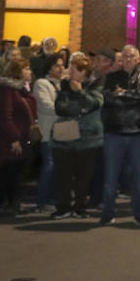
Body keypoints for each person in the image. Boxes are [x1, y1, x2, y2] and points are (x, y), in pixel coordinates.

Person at [101, 45, 140, 227]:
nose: (127, 59)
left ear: (138, 58)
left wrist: (124, 94)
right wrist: (134, 97)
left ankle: (139, 214)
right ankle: (107, 213)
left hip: (139, 131)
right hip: (115, 131)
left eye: (131, 56)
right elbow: (108, 98)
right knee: (111, 176)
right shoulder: (111, 77)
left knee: (139, 176)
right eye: (124, 56)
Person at [50, 53, 104, 220]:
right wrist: (79, 107)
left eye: (74, 69)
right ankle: (63, 207)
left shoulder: (96, 85)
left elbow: (94, 104)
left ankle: (80, 207)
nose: (69, 72)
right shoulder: (64, 86)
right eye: (70, 68)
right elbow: (61, 108)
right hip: (64, 136)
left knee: (84, 176)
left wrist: (80, 93)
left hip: (88, 139)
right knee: (63, 175)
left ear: (84, 72)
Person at [0, 56, 37, 215]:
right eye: (26, 69)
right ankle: (6, 205)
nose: (30, 71)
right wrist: (14, 138)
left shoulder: (22, 89)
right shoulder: (8, 90)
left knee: (17, 172)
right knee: (9, 172)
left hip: (22, 136)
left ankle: (13, 204)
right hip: (10, 139)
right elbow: (5, 116)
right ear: (17, 72)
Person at [31, 55, 64, 212]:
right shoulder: (41, 84)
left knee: (57, 167)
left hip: (61, 131)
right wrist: (66, 110)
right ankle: (42, 201)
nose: (60, 68)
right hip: (47, 131)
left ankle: (52, 198)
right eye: (57, 65)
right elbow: (46, 106)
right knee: (49, 166)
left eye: (62, 65)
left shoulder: (61, 84)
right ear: (49, 67)